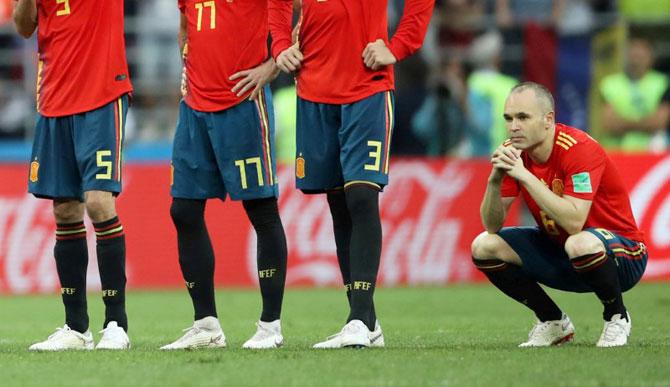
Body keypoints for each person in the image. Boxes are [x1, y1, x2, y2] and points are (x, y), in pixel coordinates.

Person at [270, 0, 434, 348]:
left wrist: (398, 45)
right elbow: (278, 5)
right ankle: (365, 320)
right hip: (313, 89)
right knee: (339, 202)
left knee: (361, 196)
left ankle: (360, 319)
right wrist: (280, 45)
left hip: (366, 89)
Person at [471, 82, 647, 347]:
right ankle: (553, 322)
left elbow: (575, 222)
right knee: (484, 245)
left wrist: (524, 176)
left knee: (579, 242)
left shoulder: (578, 148)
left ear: (548, 119)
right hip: (565, 253)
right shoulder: (514, 151)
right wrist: (494, 181)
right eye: (508, 118)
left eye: (523, 117)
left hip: (623, 256)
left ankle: (616, 316)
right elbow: (492, 225)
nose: (513, 126)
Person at [160, 0, 287, 350]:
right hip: (195, 107)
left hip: (243, 102)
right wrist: (186, 58)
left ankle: (270, 325)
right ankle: (206, 325)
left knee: (260, 209)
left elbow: (300, 15)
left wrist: (272, 66)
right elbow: (186, 20)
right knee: (183, 210)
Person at [14, 0, 132, 350]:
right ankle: (76, 327)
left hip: (101, 95)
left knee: (98, 202)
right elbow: (23, 26)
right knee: (65, 210)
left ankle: (116, 323)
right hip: (54, 100)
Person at [600, 37, 669, 152]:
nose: (636, 60)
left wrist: (625, 124)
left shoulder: (663, 83)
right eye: (633, 55)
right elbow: (609, 124)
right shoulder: (610, 83)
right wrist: (645, 124)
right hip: (617, 152)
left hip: (652, 152)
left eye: (640, 56)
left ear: (651, 58)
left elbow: (660, 122)